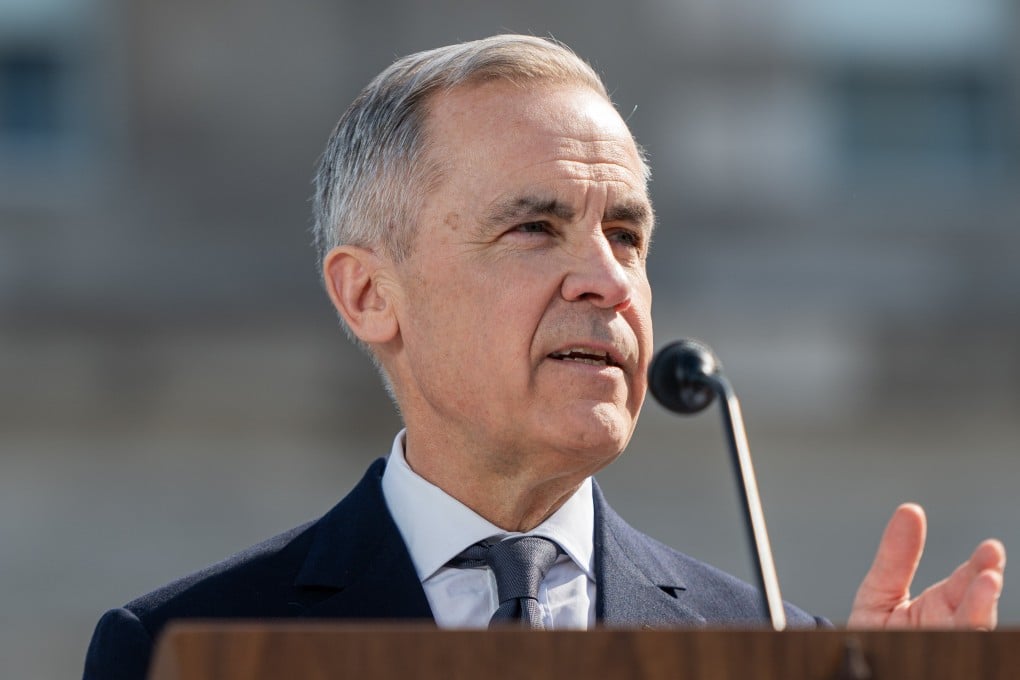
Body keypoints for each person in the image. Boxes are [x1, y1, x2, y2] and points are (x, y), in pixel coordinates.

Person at [83, 34, 1006, 680]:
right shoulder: (179, 648)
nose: (608, 281)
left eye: (627, 236)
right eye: (534, 228)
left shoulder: (774, 648)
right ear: (369, 294)